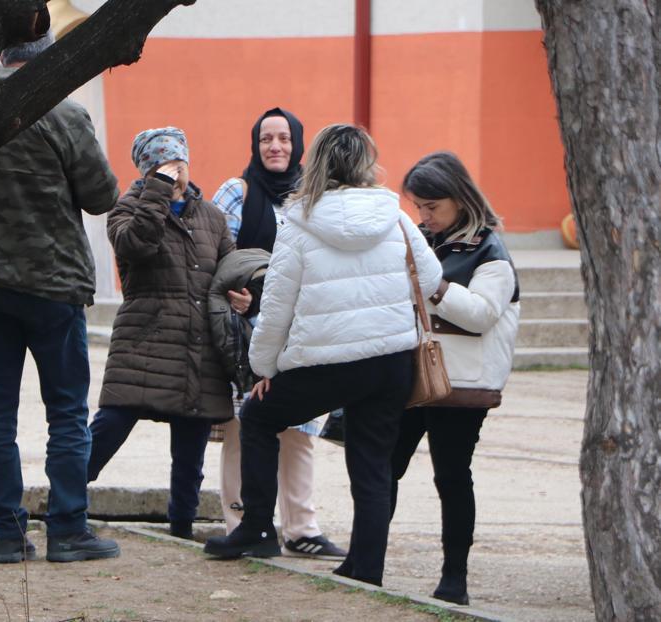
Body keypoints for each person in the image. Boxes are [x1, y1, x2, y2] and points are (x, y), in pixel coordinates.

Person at [204, 124, 443, 589]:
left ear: (316, 164)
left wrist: (264, 369)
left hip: (327, 361)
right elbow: (430, 280)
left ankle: (255, 527)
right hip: (390, 359)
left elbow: (276, 305)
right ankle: (366, 567)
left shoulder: (298, 220)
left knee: (256, 418)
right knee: (373, 461)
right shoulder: (393, 214)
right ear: (365, 164)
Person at [0, 31, 121, 564]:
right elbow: (102, 196)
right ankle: (68, 529)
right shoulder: (64, 112)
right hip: (52, 282)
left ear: (1, 54)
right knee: (66, 411)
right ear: (47, 59)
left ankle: (6, 534)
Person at [87, 127, 235, 541]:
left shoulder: (211, 216)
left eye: (179, 163)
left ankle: (183, 527)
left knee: (191, 448)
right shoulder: (127, 209)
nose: (175, 172)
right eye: (163, 165)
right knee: (108, 428)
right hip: (144, 340)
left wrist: (244, 293)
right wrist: (157, 192)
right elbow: (137, 246)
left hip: (197, 346)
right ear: (147, 169)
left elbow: (227, 270)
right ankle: (65, 500)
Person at [211, 107, 345, 559]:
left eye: (284, 139)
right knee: (241, 427)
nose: (275, 147)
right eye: (267, 138)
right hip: (245, 331)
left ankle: (301, 528)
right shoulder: (237, 191)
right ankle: (242, 523)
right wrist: (236, 292)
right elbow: (215, 254)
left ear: (298, 144)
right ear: (255, 143)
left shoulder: (313, 197)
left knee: (301, 430)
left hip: (299, 329)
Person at [391, 151, 520, 605]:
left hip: (461, 386)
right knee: (383, 468)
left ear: (460, 199)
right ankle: (365, 561)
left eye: (433, 207)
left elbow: (483, 314)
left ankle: (455, 577)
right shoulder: (425, 240)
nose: (424, 217)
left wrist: (435, 286)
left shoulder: (491, 251)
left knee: (451, 476)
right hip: (411, 376)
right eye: (419, 207)